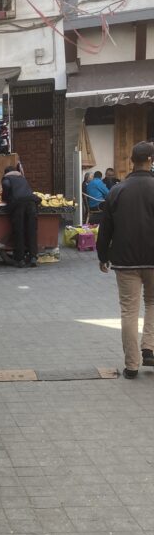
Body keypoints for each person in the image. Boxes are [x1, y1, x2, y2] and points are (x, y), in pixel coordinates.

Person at [97, 141, 154, 379]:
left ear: (131, 160)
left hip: (125, 261)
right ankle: (149, 347)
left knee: (129, 311)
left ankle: (132, 365)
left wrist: (102, 256)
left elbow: (105, 227)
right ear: (150, 159)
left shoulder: (117, 190)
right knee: (152, 303)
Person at [1, 165, 38, 267]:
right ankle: (33, 257)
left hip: (18, 206)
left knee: (19, 231)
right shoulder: (22, 177)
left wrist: (4, 197)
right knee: (31, 231)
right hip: (31, 204)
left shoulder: (7, 178)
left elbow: (6, 188)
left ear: (6, 172)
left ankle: (20, 259)